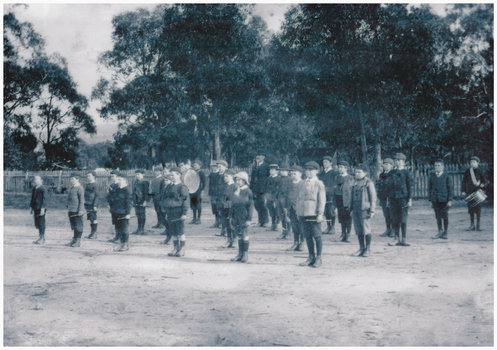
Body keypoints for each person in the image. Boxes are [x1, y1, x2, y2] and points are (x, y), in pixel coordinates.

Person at [297, 161, 326, 268]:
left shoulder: (319, 183)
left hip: (314, 213)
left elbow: (322, 200)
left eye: (311, 170)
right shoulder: (302, 183)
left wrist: (320, 213)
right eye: (307, 170)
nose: (308, 172)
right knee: (307, 236)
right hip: (303, 213)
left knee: (317, 236)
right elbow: (299, 198)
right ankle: (310, 257)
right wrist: (298, 211)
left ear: (317, 171)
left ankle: (319, 258)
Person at [349, 164, 377, 257]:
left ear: (365, 173)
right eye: (356, 172)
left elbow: (373, 198)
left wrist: (372, 210)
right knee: (358, 229)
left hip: (364, 209)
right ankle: (361, 248)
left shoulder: (368, 183)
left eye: (359, 172)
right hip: (355, 208)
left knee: (366, 229)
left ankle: (368, 249)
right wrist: (350, 208)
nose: (357, 174)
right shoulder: (354, 182)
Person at [163, 167, 190, 257]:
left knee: (180, 231)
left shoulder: (182, 187)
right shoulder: (169, 186)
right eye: (170, 175)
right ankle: (175, 248)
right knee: (172, 231)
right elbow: (166, 199)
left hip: (178, 211)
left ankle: (182, 249)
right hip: (170, 211)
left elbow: (185, 201)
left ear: (179, 175)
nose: (171, 177)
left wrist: (184, 213)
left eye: (173, 175)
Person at [388, 153, 412, 247]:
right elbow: (388, 186)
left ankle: (404, 239)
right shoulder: (391, 172)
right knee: (394, 219)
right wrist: (388, 198)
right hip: (393, 198)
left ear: (404, 162)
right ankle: (396, 238)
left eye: (399, 160)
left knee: (403, 219)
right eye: (396, 160)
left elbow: (409, 187)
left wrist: (409, 199)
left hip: (403, 198)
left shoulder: (407, 173)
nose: (397, 162)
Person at [230, 172, 254, 263]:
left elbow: (250, 206)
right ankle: (239, 254)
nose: (237, 181)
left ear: (244, 180)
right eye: (236, 180)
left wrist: (249, 219)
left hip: (244, 217)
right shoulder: (236, 190)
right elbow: (232, 204)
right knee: (238, 236)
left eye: (239, 180)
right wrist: (231, 216)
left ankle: (245, 254)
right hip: (235, 216)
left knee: (244, 235)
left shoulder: (248, 191)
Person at [429, 159, 453, 239]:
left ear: (442, 167)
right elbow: (429, 188)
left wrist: (450, 200)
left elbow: (450, 189)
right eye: (435, 165)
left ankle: (445, 232)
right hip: (435, 200)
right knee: (438, 216)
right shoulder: (432, 176)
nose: (437, 167)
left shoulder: (446, 176)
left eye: (439, 165)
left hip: (444, 200)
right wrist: (430, 200)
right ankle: (440, 231)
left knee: (445, 216)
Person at [462, 156, 487, 231]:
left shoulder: (480, 171)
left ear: (478, 163)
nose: (472, 163)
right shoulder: (467, 171)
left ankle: (478, 225)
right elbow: (464, 181)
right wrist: (463, 191)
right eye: (471, 162)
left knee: (478, 209)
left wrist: (483, 184)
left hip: (477, 192)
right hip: (469, 192)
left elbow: (485, 181)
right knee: (471, 209)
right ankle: (472, 225)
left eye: (474, 162)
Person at [333, 160, 354, 242]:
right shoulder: (337, 177)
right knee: (341, 218)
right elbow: (335, 189)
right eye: (339, 167)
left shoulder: (350, 178)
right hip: (339, 200)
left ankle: (348, 235)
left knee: (348, 218)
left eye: (342, 167)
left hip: (347, 201)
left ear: (346, 168)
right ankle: (342, 234)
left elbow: (351, 191)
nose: (340, 169)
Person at [112, 172, 133, 251]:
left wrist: (128, 213)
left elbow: (128, 203)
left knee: (124, 229)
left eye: (119, 179)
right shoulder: (117, 189)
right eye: (117, 179)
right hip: (116, 212)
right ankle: (121, 244)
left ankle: (125, 245)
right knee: (119, 229)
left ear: (125, 180)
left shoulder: (126, 191)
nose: (117, 181)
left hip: (123, 213)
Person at [318, 156, 338, 234]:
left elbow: (335, 185)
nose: (325, 163)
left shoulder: (334, 173)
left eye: (326, 162)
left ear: (331, 163)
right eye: (324, 162)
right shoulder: (321, 174)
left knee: (331, 211)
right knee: (325, 211)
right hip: (323, 195)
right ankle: (328, 227)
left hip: (331, 195)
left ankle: (332, 227)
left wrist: (328, 190)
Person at [250, 152, 270, 227]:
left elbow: (268, 178)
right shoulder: (254, 166)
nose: (258, 157)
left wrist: (266, 188)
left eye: (260, 156)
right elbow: (252, 178)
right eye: (257, 155)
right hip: (255, 189)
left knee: (263, 204)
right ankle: (260, 221)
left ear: (264, 157)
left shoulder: (266, 166)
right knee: (256, 205)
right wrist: (251, 189)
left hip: (263, 189)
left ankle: (265, 221)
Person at [286, 165, 304, 251]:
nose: (293, 175)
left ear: (300, 174)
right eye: (291, 174)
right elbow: (287, 196)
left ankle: (302, 243)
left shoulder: (303, 184)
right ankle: (295, 242)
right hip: (291, 208)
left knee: (302, 226)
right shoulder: (290, 184)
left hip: (300, 209)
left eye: (294, 173)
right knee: (294, 226)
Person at [219, 170, 237, 248]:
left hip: (231, 208)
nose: (225, 178)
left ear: (232, 176)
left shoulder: (235, 186)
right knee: (226, 224)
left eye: (227, 176)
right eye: (224, 176)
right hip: (224, 208)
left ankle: (234, 240)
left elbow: (235, 199)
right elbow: (220, 197)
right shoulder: (223, 186)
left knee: (232, 224)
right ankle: (229, 239)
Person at [66, 173, 85, 247]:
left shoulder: (80, 188)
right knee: (74, 226)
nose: (71, 181)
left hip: (77, 210)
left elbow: (82, 200)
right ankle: (74, 240)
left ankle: (78, 241)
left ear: (77, 179)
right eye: (71, 179)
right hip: (71, 209)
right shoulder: (71, 187)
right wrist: (68, 205)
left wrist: (80, 210)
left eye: (73, 179)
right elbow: (69, 198)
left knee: (78, 226)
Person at [377, 158, 394, 238]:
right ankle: (388, 229)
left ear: (391, 166)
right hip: (383, 197)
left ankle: (393, 230)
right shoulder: (381, 175)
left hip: (391, 197)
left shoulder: (393, 174)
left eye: (388, 164)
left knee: (392, 214)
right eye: (385, 164)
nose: (386, 166)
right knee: (386, 214)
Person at [276, 163, 292, 239]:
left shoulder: (290, 179)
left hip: (285, 200)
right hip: (278, 199)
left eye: (284, 171)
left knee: (287, 217)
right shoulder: (278, 179)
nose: (282, 172)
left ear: (287, 171)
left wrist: (287, 202)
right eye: (281, 170)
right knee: (281, 216)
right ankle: (284, 232)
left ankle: (288, 232)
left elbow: (289, 191)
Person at [30, 175, 47, 244]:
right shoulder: (34, 188)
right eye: (34, 179)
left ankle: (42, 238)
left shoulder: (43, 188)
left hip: (41, 208)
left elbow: (45, 199)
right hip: (35, 207)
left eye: (37, 179)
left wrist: (43, 208)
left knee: (41, 222)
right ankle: (40, 236)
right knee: (37, 222)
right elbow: (32, 199)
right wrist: (31, 207)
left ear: (41, 180)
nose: (35, 180)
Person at [132, 169, 149, 235]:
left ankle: (142, 229)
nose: (137, 175)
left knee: (142, 214)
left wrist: (145, 201)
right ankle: (138, 228)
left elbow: (146, 193)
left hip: (142, 200)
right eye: (136, 174)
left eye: (138, 174)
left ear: (143, 174)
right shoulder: (136, 181)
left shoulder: (145, 182)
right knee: (138, 214)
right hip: (136, 200)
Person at [158, 170, 173, 245]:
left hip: (169, 208)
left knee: (170, 223)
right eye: (165, 180)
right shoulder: (164, 187)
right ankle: (168, 236)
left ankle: (169, 238)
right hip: (163, 207)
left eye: (168, 180)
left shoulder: (171, 188)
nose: (166, 181)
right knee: (164, 221)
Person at [264, 163, 280, 231]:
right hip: (269, 196)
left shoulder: (278, 179)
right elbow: (265, 187)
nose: (271, 171)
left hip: (275, 197)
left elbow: (278, 189)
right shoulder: (268, 178)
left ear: (277, 171)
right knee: (271, 210)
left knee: (276, 210)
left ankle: (276, 224)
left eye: (273, 170)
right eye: (270, 170)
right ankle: (273, 224)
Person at [189, 160, 206, 225]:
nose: (195, 166)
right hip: (192, 190)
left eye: (197, 165)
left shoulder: (201, 173)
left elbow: (204, 183)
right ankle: (194, 218)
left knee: (198, 204)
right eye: (194, 165)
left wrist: (202, 190)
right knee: (193, 205)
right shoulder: (192, 172)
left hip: (198, 191)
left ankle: (199, 218)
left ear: (200, 166)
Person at [215, 160, 229, 236]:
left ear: (225, 166)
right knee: (222, 214)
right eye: (218, 167)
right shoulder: (218, 175)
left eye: (220, 166)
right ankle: (223, 231)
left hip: (226, 198)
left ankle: (227, 231)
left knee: (227, 214)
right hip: (220, 198)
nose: (218, 168)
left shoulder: (228, 174)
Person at [84, 171, 99, 239]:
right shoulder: (88, 185)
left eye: (89, 176)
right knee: (90, 218)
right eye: (87, 176)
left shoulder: (95, 185)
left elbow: (97, 196)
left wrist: (95, 205)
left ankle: (95, 233)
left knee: (94, 218)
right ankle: (92, 233)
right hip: (88, 203)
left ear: (94, 177)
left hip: (92, 204)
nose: (88, 177)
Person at [107, 171, 121, 243]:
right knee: (115, 221)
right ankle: (116, 236)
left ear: (117, 177)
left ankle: (120, 237)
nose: (112, 178)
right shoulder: (112, 185)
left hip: (118, 206)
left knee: (119, 221)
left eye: (113, 176)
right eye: (111, 176)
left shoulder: (119, 185)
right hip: (113, 206)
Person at [208, 162, 221, 228]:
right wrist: (210, 193)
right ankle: (216, 221)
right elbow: (210, 185)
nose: (214, 167)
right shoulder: (211, 174)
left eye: (215, 166)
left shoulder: (220, 174)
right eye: (212, 166)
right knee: (214, 207)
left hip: (218, 193)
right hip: (213, 193)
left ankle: (220, 222)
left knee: (219, 207)